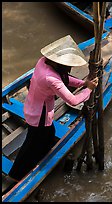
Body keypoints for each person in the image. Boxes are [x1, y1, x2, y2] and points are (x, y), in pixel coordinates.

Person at [8, 35, 98, 184]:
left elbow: (65, 79)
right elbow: (73, 100)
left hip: (32, 105)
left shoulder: (43, 62)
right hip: (40, 114)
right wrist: (88, 89)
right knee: (31, 143)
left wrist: (83, 83)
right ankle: (16, 174)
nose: (69, 68)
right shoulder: (51, 78)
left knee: (47, 135)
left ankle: (42, 156)